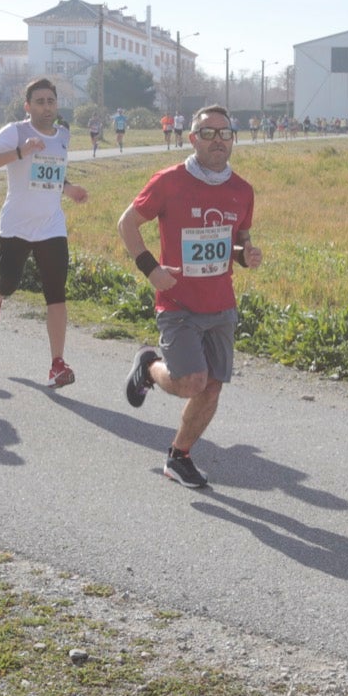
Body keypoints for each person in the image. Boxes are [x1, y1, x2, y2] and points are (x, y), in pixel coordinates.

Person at [118, 104, 260, 488]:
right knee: (192, 381)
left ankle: (179, 457)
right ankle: (149, 366)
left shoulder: (242, 190)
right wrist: (151, 269)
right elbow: (127, 223)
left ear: (233, 139)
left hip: (221, 305)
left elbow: (235, 242)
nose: (217, 140)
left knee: (212, 386)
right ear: (192, 137)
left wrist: (246, 255)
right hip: (177, 302)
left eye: (224, 132)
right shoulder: (169, 181)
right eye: (208, 132)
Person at [0, 77, 89, 388]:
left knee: (56, 292)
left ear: (56, 104)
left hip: (51, 225)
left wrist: (69, 188)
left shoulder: (63, 134)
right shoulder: (15, 132)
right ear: (28, 106)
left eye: (51, 101)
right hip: (16, 225)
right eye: (40, 102)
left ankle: (57, 364)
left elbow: (51, 174)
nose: (46, 107)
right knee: (10, 281)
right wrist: (20, 152)